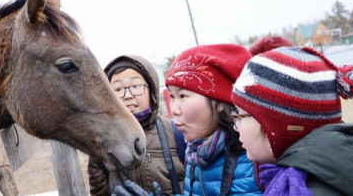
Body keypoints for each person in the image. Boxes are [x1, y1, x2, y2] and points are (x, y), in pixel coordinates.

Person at [113, 44, 264, 196]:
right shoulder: (197, 153)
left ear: (220, 101)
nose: (174, 110)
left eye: (183, 96)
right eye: (172, 97)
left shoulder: (257, 160)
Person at [231, 46, 353, 195]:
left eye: (242, 115)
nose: (236, 126)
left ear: (280, 126)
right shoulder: (333, 173)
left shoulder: (300, 190)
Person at [88, 55, 186, 196]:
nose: (127, 95)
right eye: (117, 89)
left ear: (151, 89)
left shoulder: (178, 133)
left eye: (135, 86)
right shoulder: (101, 144)